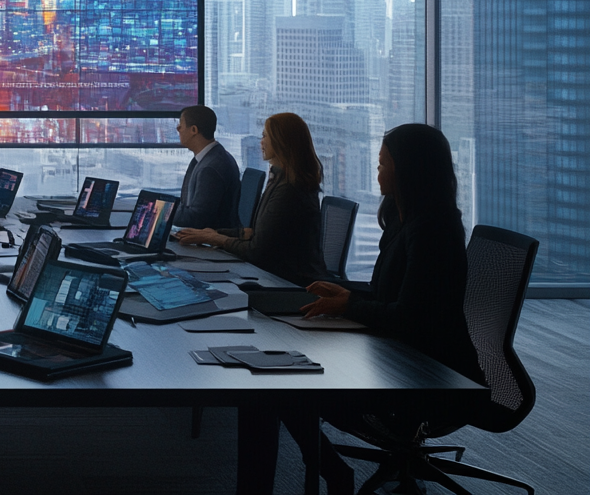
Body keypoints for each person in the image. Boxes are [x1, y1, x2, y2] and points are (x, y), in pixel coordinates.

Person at [236, 123, 483, 495]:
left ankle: (332, 473)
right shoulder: (404, 219)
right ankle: (333, 472)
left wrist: (350, 302)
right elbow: (390, 297)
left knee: (276, 388)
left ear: (409, 168)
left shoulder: (434, 229)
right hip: (394, 352)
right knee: (274, 381)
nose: (377, 171)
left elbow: (410, 317)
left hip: (427, 374)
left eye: (384, 164)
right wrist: (345, 293)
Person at [176, 112, 328, 286]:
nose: (261, 141)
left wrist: (216, 239)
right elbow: (255, 234)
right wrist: (213, 234)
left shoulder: (289, 190)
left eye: (264, 136)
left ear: (281, 141)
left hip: (289, 284)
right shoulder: (280, 180)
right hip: (278, 275)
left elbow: (257, 252)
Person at [169, 104, 241, 229]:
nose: (178, 128)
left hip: (207, 241)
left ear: (194, 130)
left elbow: (196, 219)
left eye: (181, 124)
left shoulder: (210, 168)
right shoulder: (210, 157)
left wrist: (162, 211)